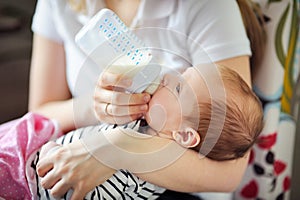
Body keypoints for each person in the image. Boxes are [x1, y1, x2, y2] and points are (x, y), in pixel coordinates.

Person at [20, 0, 265, 199]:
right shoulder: (59, 4)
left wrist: (121, 147)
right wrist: (94, 109)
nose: (169, 76)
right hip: (57, 157)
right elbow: (38, 115)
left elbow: (230, 170)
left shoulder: (210, 6)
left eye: (179, 87)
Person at [0, 65, 263, 199]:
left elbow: (78, 192)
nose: (169, 76)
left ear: (184, 135)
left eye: (180, 88)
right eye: (182, 73)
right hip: (33, 149)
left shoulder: (138, 178)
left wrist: (51, 152)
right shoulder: (147, 126)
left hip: (30, 180)